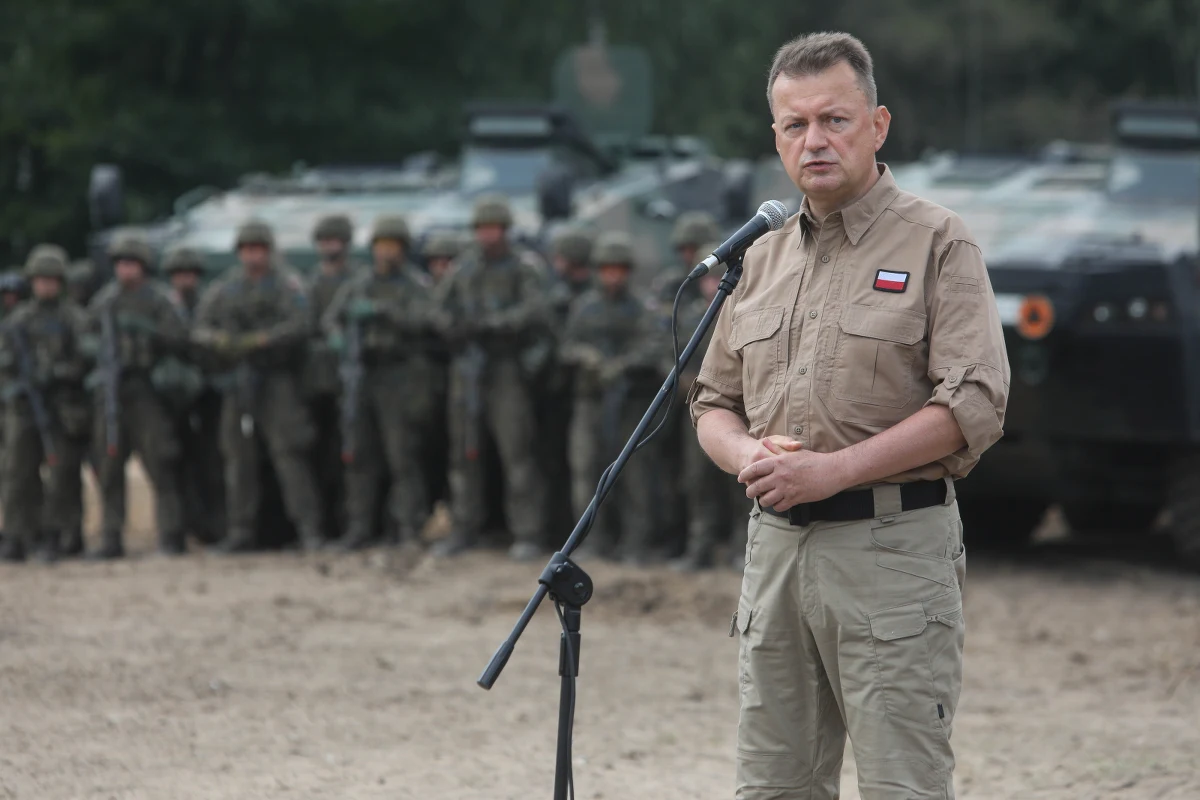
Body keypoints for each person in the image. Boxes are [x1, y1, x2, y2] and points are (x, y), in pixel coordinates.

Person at [688, 32, 1009, 799]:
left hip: (891, 554)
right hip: (776, 557)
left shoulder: (938, 241)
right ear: (775, 137)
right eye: (795, 125)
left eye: (834, 119)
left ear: (878, 125)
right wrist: (749, 459)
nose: (815, 140)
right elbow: (712, 403)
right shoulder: (758, 258)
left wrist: (831, 470)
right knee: (773, 787)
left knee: (903, 785)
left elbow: (974, 405)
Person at [193, 219, 324, 553]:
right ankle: (240, 530)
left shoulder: (286, 284)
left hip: (277, 378)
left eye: (259, 250)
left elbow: (301, 324)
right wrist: (223, 341)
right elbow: (200, 328)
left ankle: (308, 529)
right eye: (247, 251)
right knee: (238, 458)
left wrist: (261, 340)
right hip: (240, 379)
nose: (253, 257)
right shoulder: (226, 289)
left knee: (288, 455)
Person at [433, 194, 551, 562]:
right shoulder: (463, 269)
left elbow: (535, 309)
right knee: (463, 452)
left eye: (494, 229)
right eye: (482, 229)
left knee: (516, 451)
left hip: (505, 367)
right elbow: (436, 308)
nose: (488, 236)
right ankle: (465, 527)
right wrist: (456, 327)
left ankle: (527, 532)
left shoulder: (523, 267)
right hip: (468, 367)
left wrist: (495, 324)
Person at [322, 215, 437, 551]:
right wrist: (338, 338)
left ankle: (407, 528)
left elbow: (424, 319)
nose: (386, 253)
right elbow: (331, 318)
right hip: (363, 374)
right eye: (381, 247)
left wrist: (383, 311)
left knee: (402, 455)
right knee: (358, 455)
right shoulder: (359, 283)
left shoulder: (414, 284)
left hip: (398, 377)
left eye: (393, 247)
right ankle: (359, 527)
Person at [562, 231, 663, 564]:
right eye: (607, 269)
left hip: (630, 404)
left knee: (634, 475)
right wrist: (588, 357)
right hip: (589, 402)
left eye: (619, 269)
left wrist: (623, 365)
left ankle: (636, 543)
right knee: (586, 472)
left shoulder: (641, 307)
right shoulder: (584, 307)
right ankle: (592, 541)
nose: (613, 276)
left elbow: (655, 347)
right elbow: (565, 347)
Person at [87, 235, 190, 558]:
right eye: (120, 264)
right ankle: (111, 537)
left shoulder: (159, 299)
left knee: (160, 462)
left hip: (147, 390)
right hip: (114, 389)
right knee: (109, 465)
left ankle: (172, 536)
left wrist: (146, 330)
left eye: (131, 264)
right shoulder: (106, 301)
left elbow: (179, 337)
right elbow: (85, 337)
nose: (125, 270)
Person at [0, 245, 94, 563]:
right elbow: (5, 358)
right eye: (40, 280)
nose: (46, 286)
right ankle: (16, 536)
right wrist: (21, 381)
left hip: (62, 407)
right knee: (17, 473)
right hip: (25, 407)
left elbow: (85, 358)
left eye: (52, 280)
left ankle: (58, 534)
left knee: (62, 473)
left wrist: (57, 373)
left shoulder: (74, 317)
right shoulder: (18, 319)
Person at [670, 252, 750, 571]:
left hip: (741, 411)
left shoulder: (745, 310)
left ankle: (741, 548)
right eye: (708, 278)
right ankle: (699, 548)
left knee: (739, 482)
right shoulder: (690, 317)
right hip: (698, 410)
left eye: (719, 278)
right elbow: (674, 359)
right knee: (697, 481)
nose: (712, 285)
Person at [162, 246, 226, 546]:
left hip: (210, 391)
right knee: (175, 463)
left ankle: (216, 526)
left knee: (213, 462)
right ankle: (182, 527)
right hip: (173, 396)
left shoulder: (212, 303)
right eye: (179, 275)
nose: (184, 281)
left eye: (189, 275)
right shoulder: (163, 305)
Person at [304, 214, 358, 541]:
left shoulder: (357, 281)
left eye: (335, 240)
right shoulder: (310, 284)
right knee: (319, 456)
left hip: (351, 382)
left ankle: (353, 524)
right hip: (316, 382)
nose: (330, 247)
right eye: (324, 241)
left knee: (353, 457)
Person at [540, 225, 594, 547]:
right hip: (552, 391)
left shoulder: (588, 297)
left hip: (583, 391)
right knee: (554, 464)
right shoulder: (551, 293)